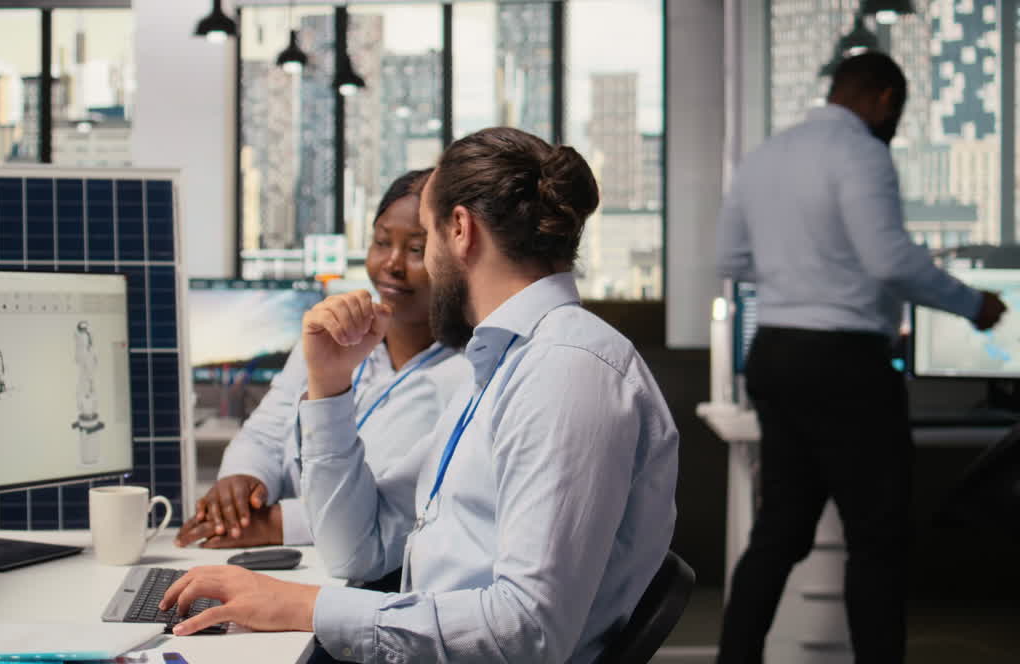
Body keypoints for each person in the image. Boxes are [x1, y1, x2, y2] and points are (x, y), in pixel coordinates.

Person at [159, 127, 680, 664]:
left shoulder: (566, 373)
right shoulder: (500, 366)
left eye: (424, 238)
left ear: (459, 230)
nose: (418, 262)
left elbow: (528, 632)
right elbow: (355, 549)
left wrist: (307, 607)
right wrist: (331, 388)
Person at [714, 52, 1007, 664]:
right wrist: (972, 304)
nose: (894, 122)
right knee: (877, 541)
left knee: (779, 532)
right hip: (846, 366)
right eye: (895, 110)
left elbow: (733, 262)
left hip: (777, 355)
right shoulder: (862, 154)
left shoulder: (763, 157)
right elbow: (890, 261)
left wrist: (800, 270)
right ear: (882, 98)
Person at [176, 169, 470, 556]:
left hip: (366, 574)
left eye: (416, 250)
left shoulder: (466, 374)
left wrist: (277, 524)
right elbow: (266, 430)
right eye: (381, 242)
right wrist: (243, 481)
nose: (391, 264)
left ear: (452, 257)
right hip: (296, 563)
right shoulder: (333, 337)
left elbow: (399, 502)